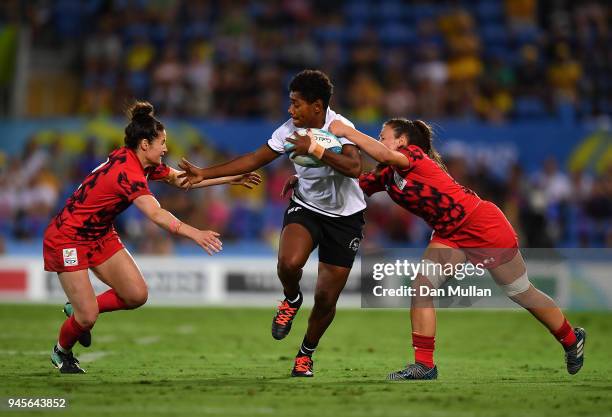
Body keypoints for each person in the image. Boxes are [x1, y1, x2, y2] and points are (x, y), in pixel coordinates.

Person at [311, 118, 584, 380]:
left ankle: (572, 339)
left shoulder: (414, 155)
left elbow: (383, 154)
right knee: (421, 288)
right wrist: (310, 177)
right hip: (449, 233)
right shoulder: (386, 175)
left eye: (383, 136)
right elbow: (350, 184)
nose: (379, 141)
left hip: (482, 225)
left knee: (521, 292)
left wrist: (347, 131)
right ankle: (424, 366)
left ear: (402, 141)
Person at [43, 101, 261, 373]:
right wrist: (195, 233)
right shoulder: (128, 172)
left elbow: (183, 181)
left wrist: (230, 178)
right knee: (87, 317)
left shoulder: (138, 162)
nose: (166, 148)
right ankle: (61, 352)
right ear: (145, 144)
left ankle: (77, 310)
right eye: (163, 143)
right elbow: (155, 214)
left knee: (136, 295)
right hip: (69, 237)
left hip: (100, 233)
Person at [178, 70, 366, 377]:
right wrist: (205, 173)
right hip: (306, 206)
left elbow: (355, 167)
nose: (290, 110)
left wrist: (315, 149)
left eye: (296, 104)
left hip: (346, 217)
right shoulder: (289, 129)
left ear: (317, 106)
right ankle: (291, 298)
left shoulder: (340, 127)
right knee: (288, 263)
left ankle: (305, 354)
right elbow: (254, 158)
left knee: (326, 298)